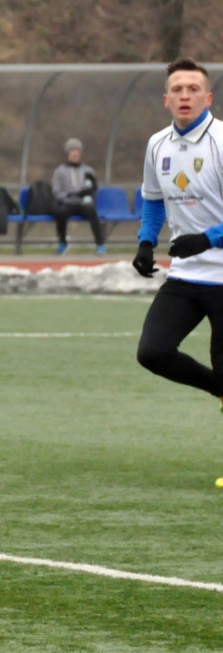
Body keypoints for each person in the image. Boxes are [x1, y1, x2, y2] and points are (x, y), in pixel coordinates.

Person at [133, 58, 223, 485]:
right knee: (152, 352)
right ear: (166, 99)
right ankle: (219, 389)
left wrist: (209, 238)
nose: (184, 95)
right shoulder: (157, 145)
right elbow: (153, 199)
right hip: (186, 277)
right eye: (177, 89)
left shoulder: (222, 141)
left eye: (193, 88)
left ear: (208, 98)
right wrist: (146, 241)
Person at [51, 138, 105, 255]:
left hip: (83, 203)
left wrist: (88, 192)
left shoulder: (88, 170)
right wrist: (69, 195)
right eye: (72, 151)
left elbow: (94, 188)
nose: (75, 154)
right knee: (60, 213)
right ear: (68, 153)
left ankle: (100, 244)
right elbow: (56, 191)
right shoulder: (60, 171)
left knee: (91, 211)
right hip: (68, 202)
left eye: (77, 151)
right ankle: (62, 242)